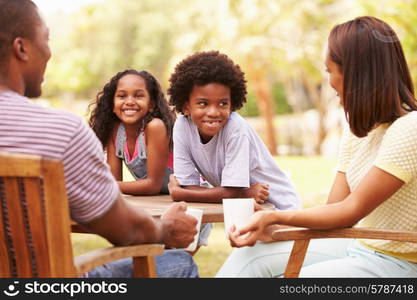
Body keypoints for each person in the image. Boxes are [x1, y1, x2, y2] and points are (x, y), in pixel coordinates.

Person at [0, 0, 198, 278]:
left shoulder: (149, 127)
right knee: (179, 263)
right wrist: (165, 229)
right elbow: (127, 230)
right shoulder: (61, 132)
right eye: (46, 39)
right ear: (21, 48)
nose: (49, 52)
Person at [217, 16, 417, 278]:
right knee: (250, 257)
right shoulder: (358, 129)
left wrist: (275, 219)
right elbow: (335, 207)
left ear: (356, 73)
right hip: (359, 245)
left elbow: (351, 209)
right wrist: (274, 226)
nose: (329, 81)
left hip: (401, 263)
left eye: (330, 70)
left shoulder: (410, 128)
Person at [167, 50, 300, 211]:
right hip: (244, 208)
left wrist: (180, 194)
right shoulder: (182, 127)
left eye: (223, 103)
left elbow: (228, 193)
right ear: (186, 106)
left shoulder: (236, 128)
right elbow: (188, 186)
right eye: (203, 103)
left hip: (280, 210)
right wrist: (242, 194)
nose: (214, 112)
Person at [89, 69, 175, 196]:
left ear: (151, 104)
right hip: (161, 199)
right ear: (112, 104)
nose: (129, 102)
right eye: (122, 96)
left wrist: (103, 184)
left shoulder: (155, 126)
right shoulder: (115, 131)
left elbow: (153, 185)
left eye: (138, 95)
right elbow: (114, 183)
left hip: (189, 195)